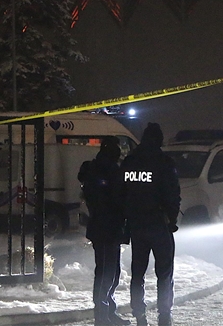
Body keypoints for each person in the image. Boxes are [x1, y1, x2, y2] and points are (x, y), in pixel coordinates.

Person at [119, 123, 181, 326]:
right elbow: (173, 194)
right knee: (164, 273)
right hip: (159, 224)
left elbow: (122, 193)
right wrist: (172, 219)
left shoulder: (129, 162)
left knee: (138, 273)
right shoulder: (164, 163)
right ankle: (164, 315)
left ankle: (139, 313)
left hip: (136, 225)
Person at [78, 136, 131, 326]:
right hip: (105, 227)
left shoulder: (105, 169)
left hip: (109, 227)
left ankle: (108, 312)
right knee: (105, 274)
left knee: (112, 272)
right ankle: (102, 316)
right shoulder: (102, 170)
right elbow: (110, 200)